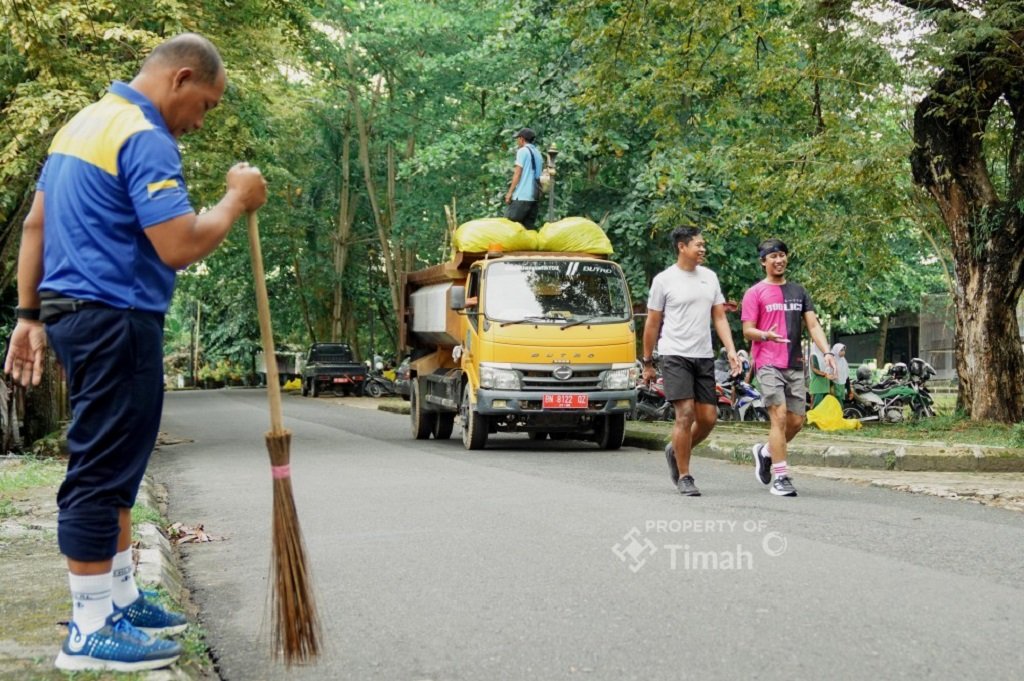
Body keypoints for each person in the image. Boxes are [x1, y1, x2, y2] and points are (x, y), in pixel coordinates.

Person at [3, 33, 267, 672]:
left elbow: (36, 227)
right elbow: (177, 244)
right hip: (115, 317)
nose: (200, 121)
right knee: (100, 469)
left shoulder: (83, 124)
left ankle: (118, 598)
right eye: (204, 104)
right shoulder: (143, 136)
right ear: (180, 79)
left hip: (78, 315)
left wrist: (28, 315)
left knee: (118, 463)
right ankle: (89, 627)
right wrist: (236, 199)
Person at [642, 226, 741, 496]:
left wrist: (730, 349)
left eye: (703, 244)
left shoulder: (709, 277)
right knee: (684, 414)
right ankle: (685, 475)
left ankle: (676, 449)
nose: (703, 249)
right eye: (698, 244)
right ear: (682, 247)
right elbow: (653, 322)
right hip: (675, 354)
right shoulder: (664, 280)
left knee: (708, 418)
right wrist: (647, 361)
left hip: (703, 355)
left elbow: (719, 317)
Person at [741, 238, 835, 497]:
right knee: (779, 417)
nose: (779, 260)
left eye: (782, 255)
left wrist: (826, 352)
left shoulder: (799, 291)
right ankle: (781, 477)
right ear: (763, 262)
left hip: (794, 363)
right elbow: (747, 330)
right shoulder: (755, 293)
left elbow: (813, 326)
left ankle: (766, 452)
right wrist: (764, 335)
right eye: (773, 256)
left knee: (796, 421)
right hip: (768, 362)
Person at [504, 127, 544, 230]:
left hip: (522, 196)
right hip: (534, 197)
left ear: (522, 139)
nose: (517, 141)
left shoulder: (523, 151)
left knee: (508, 227)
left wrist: (509, 193)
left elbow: (517, 173)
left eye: (518, 139)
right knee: (528, 231)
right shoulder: (538, 154)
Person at [808, 343, 834, 408]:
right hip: (817, 387)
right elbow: (814, 369)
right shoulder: (814, 355)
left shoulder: (824, 356)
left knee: (824, 408)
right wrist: (825, 374)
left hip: (825, 387)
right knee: (816, 407)